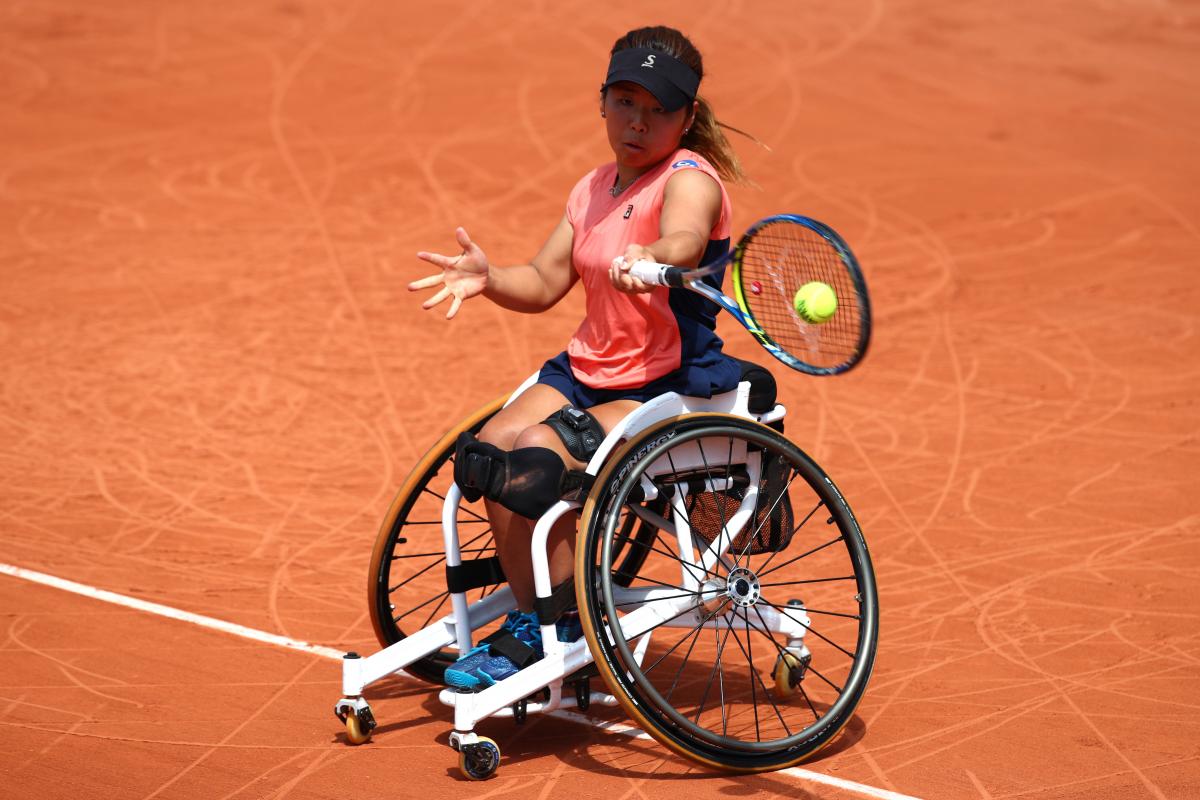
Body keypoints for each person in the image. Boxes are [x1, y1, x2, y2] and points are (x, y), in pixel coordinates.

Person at [409, 25, 749, 690]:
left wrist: (655, 256)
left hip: (669, 377)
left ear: (688, 116)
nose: (638, 122)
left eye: (658, 110)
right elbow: (541, 282)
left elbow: (683, 233)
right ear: (602, 102)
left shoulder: (691, 179)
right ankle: (538, 620)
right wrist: (488, 277)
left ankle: (569, 629)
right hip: (591, 367)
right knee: (490, 452)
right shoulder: (593, 188)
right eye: (625, 102)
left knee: (536, 455)